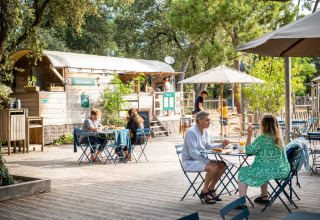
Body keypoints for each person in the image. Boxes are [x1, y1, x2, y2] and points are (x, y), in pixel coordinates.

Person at [237, 114, 290, 209]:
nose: (260, 124)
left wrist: (249, 135)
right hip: (281, 170)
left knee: (242, 171)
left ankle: (242, 203)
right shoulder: (278, 138)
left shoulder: (262, 138)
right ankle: (264, 196)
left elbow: (249, 151)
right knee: (264, 165)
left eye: (261, 123)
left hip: (267, 171)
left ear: (264, 125)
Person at [182, 111, 230, 204]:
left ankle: (211, 188)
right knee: (213, 167)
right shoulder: (191, 132)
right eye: (207, 120)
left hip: (199, 160)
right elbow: (193, 153)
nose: (209, 122)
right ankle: (205, 191)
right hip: (189, 162)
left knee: (222, 165)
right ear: (200, 121)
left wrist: (221, 145)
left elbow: (208, 146)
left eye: (209, 120)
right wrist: (208, 161)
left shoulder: (204, 132)